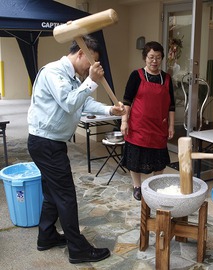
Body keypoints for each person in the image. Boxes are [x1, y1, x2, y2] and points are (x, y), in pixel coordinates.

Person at [27, 35, 125, 264]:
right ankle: (77, 248)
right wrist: (90, 81)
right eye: (91, 63)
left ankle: (47, 235)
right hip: (46, 143)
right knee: (66, 196)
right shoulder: (54, 72)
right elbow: (70, 102)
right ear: (81, 53)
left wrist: (111, 110)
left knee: (53, 194)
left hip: (49, 143)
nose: (91, 69)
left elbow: (84, 104)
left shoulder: (71, 77)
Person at [120, 41, 175, 201]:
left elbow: (171, 105)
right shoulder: (136, 75)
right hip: (138, 126)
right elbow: (127, 101)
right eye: (151, 57)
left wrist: (171, 125)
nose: (154, 61)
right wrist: (124, 121)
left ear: (162, 59)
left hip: (159, 127)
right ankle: (137, 186)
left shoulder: (166, 78)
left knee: (158, 160)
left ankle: (154, 186)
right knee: (135, 159)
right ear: (145, 57)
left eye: (158, 57)